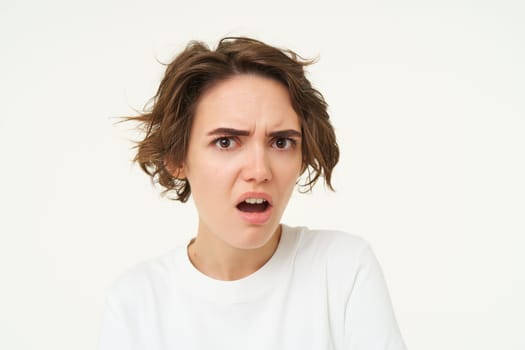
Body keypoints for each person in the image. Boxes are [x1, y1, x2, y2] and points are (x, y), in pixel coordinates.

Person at [99, 37, 407, 350]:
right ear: (177, 159)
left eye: (281, 142)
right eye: (226, 142)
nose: (259, 170)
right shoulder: (137, 302)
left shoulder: (343, 269)